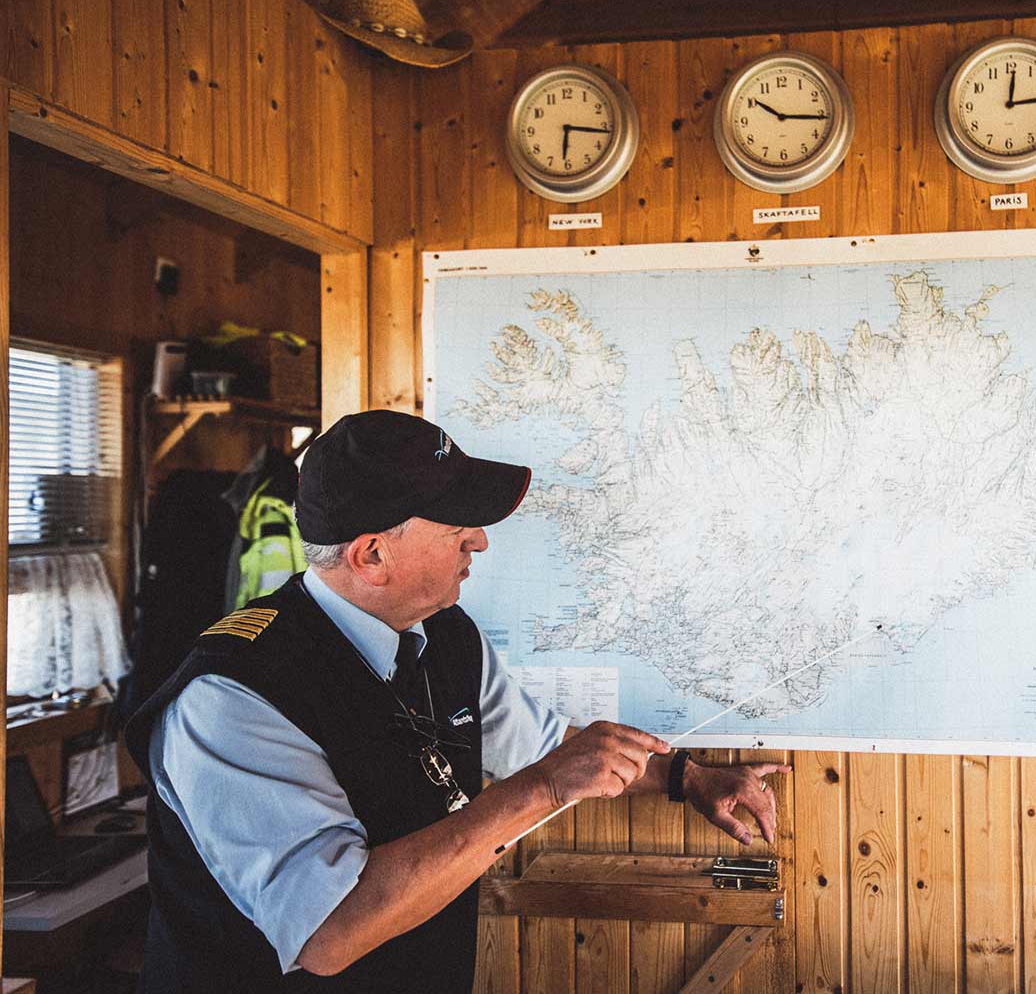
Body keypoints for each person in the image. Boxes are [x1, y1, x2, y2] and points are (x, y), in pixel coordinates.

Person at [123, 409, 788, 992]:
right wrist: (542, 789)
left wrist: (686, 777)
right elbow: (328, 930)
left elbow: (549, 747)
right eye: (455, 525)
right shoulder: (232, 696)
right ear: (372, 555)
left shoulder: (444, 635)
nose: (480, 540)